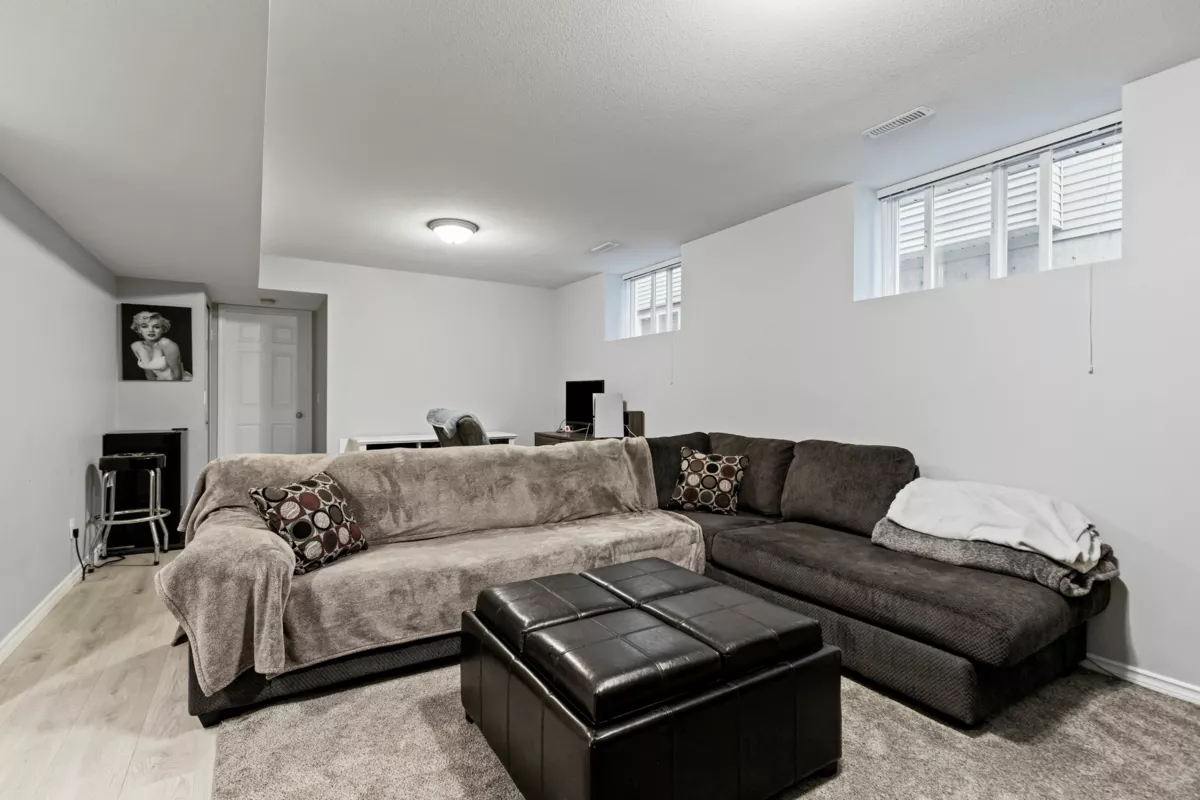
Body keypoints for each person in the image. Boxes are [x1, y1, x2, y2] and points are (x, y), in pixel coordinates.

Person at [129, 310, 190, 381]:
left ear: (162, 329)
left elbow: (177, 376)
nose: (151, 330)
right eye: (145, 326)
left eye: (156, 327)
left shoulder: (167, 344)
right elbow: (149, 374)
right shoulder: (136, 346)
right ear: (138, 329)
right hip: (160, 383)